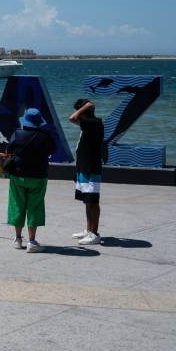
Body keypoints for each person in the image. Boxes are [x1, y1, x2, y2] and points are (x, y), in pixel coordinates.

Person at [6, 108, 56, 253]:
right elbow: (53, 150)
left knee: (17, 205)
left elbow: (9, 149)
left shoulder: (17, 134)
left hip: (17, 175)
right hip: (38, 176)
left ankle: (17, 239)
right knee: (35, 207)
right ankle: (32, 241)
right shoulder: (45, 136)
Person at [69, 99, 104, 245]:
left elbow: (72, 118)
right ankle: (89, 230)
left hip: (91, 168)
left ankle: (94, 233)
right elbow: (75, 119)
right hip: (84, 167)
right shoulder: (89, 124)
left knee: (93, 201)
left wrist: (86, 107)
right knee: (87, 201)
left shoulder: (94, 123)